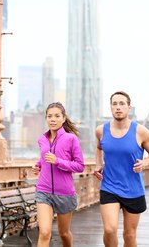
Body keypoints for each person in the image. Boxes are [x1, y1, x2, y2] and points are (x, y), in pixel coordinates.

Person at [94, 91, 149, 247]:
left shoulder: (141, 132)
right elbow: (98, 148)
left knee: (129, 236)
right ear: (110, 107)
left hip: (133, 189)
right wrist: (98, 164)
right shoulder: (101, 130)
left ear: (129, 108)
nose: (118, 107)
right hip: (109, 187)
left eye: (122, 104)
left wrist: (144, 163)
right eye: (114, 104)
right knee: (109, 230)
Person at [32, 102, 85, 247]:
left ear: (63, 118)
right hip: (43, 191)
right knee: (44, 232)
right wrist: (39, 165)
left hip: (65, 194)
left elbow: (80, 166)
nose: (53, 119)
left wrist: (58, 161)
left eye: (56, 116)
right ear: (46, 119)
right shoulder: (42, 140)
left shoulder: (70, 139)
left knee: (64, 233)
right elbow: (44, 158)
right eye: (49, 116)